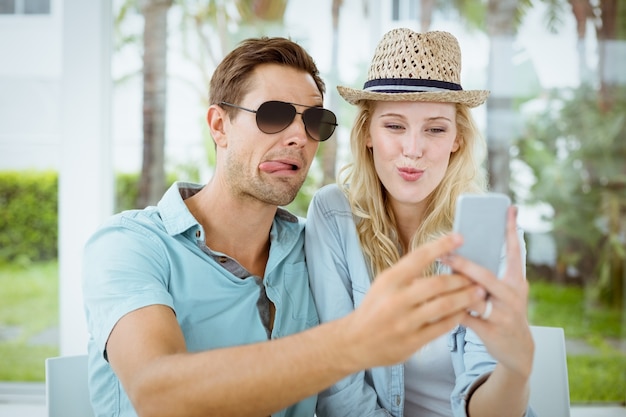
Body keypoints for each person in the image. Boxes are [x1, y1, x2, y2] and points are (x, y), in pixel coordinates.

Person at [82, 35, 489, 417]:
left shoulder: (313, 247)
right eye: (273, 114)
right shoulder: (130, 245)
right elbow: (157, 392)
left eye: (314, 121)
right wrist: (353, 342)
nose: (298, 136)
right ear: (219, 126)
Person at [305, 28, 536, 417]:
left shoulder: (490, 230)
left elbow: (488, 399)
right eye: (394, 126)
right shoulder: (333, 215)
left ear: (457, 139)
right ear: (367, 135)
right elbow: (339, 388)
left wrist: (516, 369)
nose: (413, 150)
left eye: (435, 128)